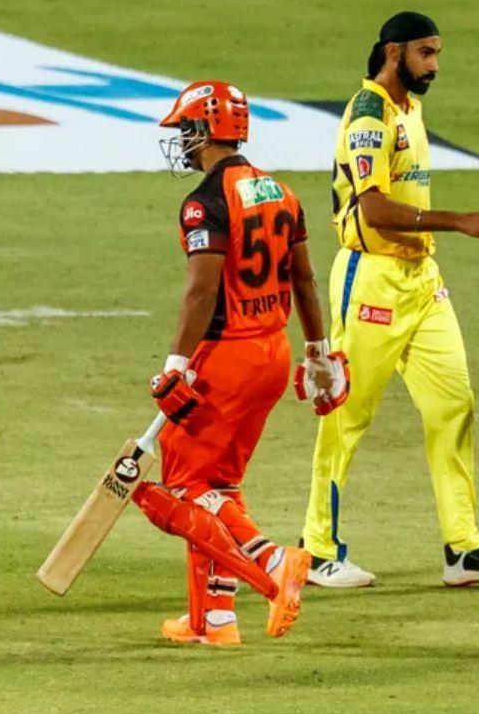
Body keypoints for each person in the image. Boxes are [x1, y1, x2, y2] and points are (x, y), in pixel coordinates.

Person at [301, 10, 479, 589]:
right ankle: (315, 549)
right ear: (393, 51)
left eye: (437, 55)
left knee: (453, 404)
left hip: (422, 281)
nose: (434, 66)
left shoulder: (411, 109)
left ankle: (464, 548)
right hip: (371, 279)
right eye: (426, 54)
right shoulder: (369, 114)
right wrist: (460, 220)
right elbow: (371, 207)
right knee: (347, 415)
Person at [145, 79, 345, 645]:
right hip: (274, 353)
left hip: (224, 356)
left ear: (207, 130)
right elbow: (303, 278)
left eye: (187, 129)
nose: (183, 141)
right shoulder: (281, 192)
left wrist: (176, 364)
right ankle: (214, 619)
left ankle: (272, 559)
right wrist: (318, 352)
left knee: (184, 489)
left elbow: (201, 291)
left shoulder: (204, 202)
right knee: (220, 483)